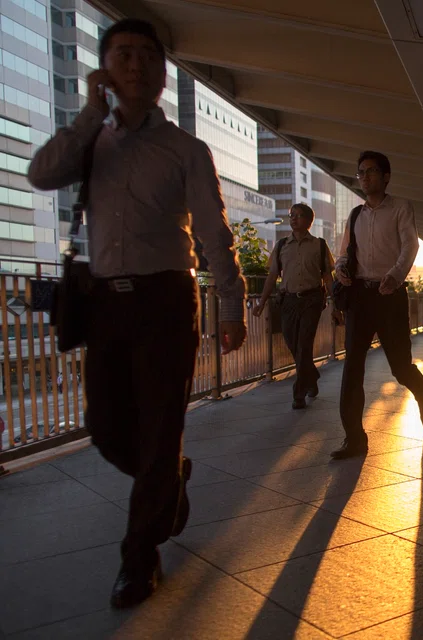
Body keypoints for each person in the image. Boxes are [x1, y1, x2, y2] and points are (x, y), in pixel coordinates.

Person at [26, 19, 247, 609]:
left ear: (162, 74)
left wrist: (232, 304)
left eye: (149, 56)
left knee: (160, 428)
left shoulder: (186, 149)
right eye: (123, 54)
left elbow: (214, 234)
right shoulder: (89, 142)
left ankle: (138, 556)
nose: (136, 65)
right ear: (104, 68)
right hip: (103, 304)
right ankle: (169, 480)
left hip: (167, 302)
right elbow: (41, 173)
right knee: (106, 429)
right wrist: (87, 115)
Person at [333, 151, 423, 459]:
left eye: (371, 172)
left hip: (390, 295)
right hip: (360, 298)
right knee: (352, 367)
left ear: (386, 176)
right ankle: (354, 438)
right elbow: (343, 253)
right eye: (360, 172)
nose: (364, 177)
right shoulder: (355, 216)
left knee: (400, 367)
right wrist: (340, 268)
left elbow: (410, 244)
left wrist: (394, 276)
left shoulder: (401, 208)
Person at [253, 204, 335, 409]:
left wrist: (337, 305)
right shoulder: (282, 245)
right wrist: (262, 302)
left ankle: (298, 394)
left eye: (298, 216)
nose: (293, 219)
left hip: (312, 300)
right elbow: (272, 276)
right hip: (288, 301)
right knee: (292, 343)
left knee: (304, 345)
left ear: (309, 221)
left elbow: (327, 277)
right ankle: (312, 376)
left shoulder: (320, 245)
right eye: (291, 216)